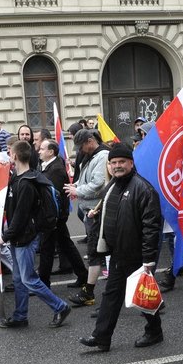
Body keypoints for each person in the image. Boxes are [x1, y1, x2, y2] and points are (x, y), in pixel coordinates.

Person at [78, 144, 164, 352]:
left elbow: (151, 227)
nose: (117, 166)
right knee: (111, 295)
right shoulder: (113, 186)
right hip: (118, 252)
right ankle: (102, 337)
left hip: (136, 254)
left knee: (141, 297)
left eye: (121, 162)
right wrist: (97, 217)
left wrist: (148, 259)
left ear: (131, 163)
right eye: (113, 163)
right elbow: (112, 212)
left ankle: (154, 331)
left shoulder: (143, 189)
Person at [0, 141, 72, 329]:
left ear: (15, 156)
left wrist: (5, 237)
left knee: (29, 279)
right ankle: (20, 316)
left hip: (25, 237)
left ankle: (60, 307)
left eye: (9, 153)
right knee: (18, 279)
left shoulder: (26, 184)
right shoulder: (17, 178)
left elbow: (21, 216)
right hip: (18, 237)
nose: (8, 155)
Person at [65, 129, 110, 306]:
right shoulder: (93, 156)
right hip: (92, 211)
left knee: (95, 252)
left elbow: (98, 184)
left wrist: (77, 190)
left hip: (97, 212)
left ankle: (89, 292)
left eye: (82, 146)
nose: (81, 150)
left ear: (90, 141)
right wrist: (74, 185)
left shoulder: (101, 156)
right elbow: (87, 180)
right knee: (101, 252)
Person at [38, 139, 88, 289]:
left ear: (51, 152)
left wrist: (51, 217)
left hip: (54, 216)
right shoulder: (48, 166)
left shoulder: (56, 169)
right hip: (53, 215)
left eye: (41, 149)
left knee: (47, 248)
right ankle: (82, 274)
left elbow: (53, 195)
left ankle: (43, 284)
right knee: (66, 245)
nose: (39, 151)